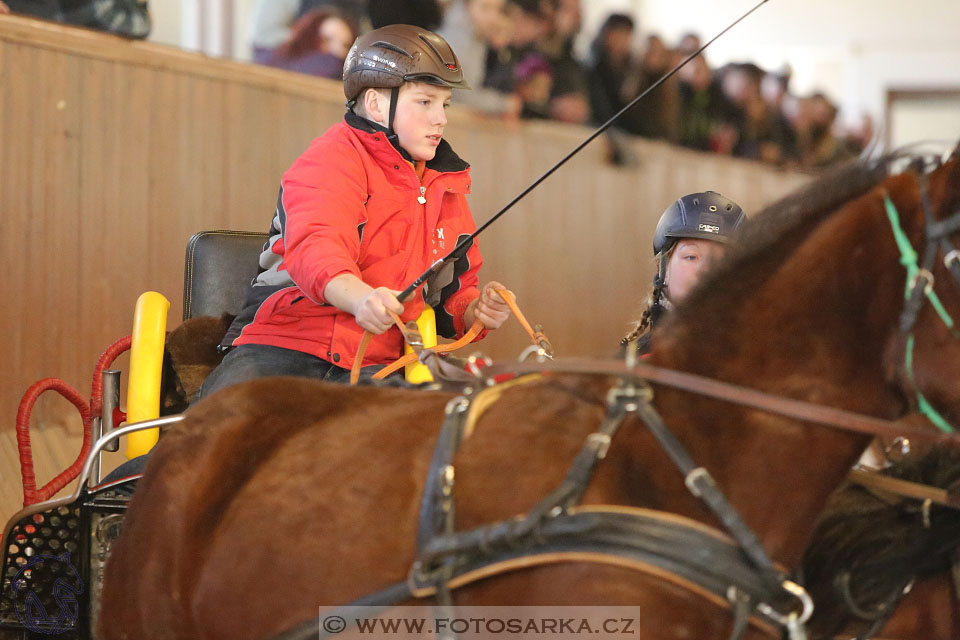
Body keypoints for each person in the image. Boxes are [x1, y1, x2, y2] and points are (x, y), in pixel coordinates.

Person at [200, 24, 514, 398]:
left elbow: (449, 294)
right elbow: (318, 249)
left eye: (444, 104)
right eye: (425, 102)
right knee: (205, 442)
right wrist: (361, 298)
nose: (440, 118)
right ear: (377, 103)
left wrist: (475, 310)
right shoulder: (331, 158)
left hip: (379, 364)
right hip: (286, 346)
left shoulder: (446, 184)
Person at [620, 191, 746, 354]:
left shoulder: (759, 364)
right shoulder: (634, 363)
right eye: (691, 257)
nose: (705, 270)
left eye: (719, 260)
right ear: (662, 267)